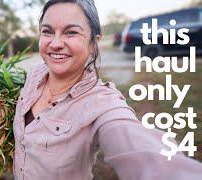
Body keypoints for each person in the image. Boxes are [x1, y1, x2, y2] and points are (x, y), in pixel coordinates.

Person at [12, 0, 202, 179]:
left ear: (94, 44)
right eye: (47, 31)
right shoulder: (35, 74)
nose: (55, 43)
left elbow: (141, 151)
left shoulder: (104, 104)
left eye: (71, 32)